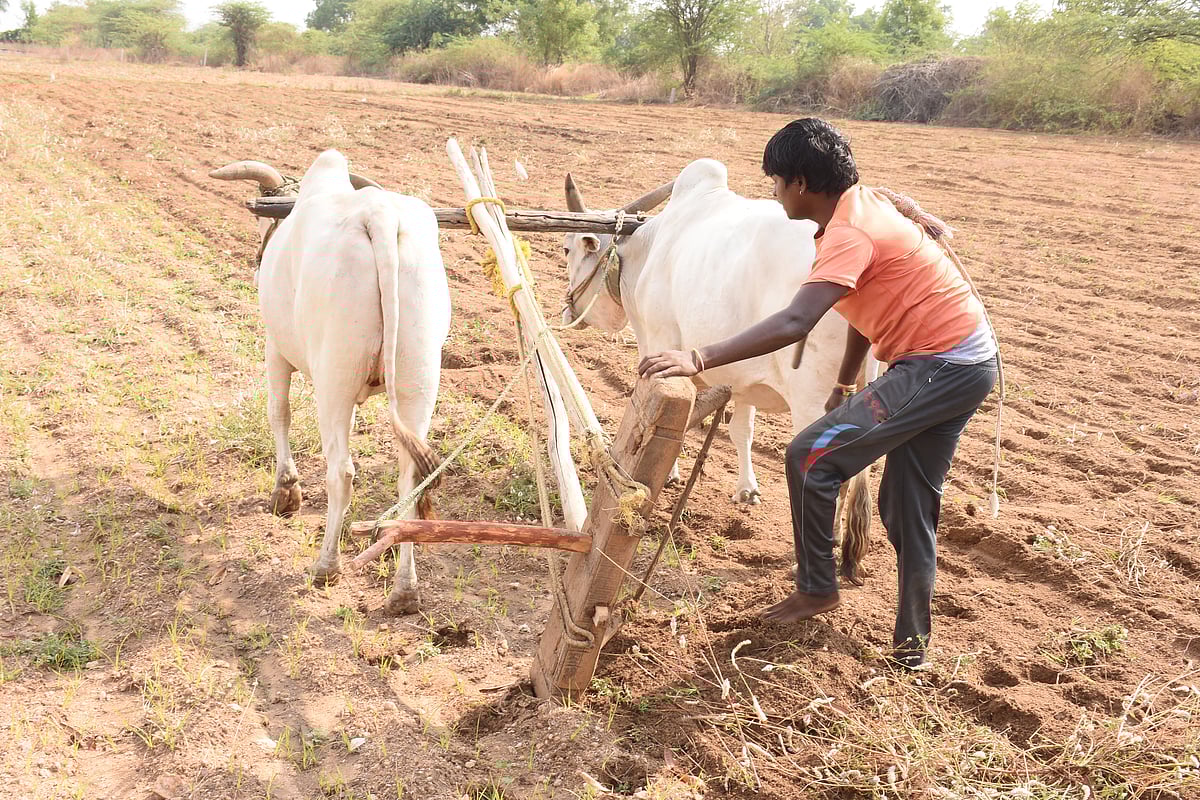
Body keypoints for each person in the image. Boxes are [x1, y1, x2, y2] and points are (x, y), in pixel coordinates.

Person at [637, 118, 998, 668]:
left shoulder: (848, 232)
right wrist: (845, 379)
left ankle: (817, 587)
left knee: (810, 456)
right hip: (966, 361)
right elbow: (860, 308)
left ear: (802, 183)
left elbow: (798, 321)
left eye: (776, 182)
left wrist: (698, 357)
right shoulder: (859, 210)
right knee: (906, 508)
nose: (773, 194)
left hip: (937, 365)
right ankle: (912, 647)